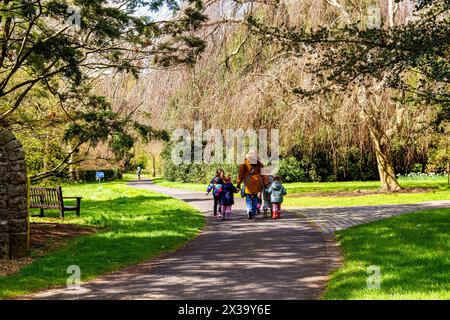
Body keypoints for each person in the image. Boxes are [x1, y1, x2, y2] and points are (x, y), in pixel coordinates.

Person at [236, 150, 269, 220]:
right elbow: (264, 174)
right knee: (255, 198)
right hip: (257, 182)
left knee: (248, 197)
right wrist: (265, 183)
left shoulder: (245, 163)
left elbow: (240, 174)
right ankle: (253, 213)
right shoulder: (259, 163)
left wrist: (238, 183)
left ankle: (249, 210)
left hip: (248, 183)